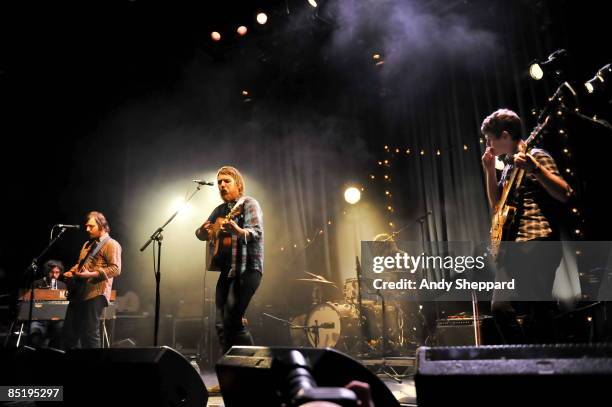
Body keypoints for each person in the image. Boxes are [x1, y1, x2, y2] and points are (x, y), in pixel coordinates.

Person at [481, 108, 573, 343]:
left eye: (490, 139)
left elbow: (565, 193)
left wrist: (534, 168)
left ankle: (546, 363)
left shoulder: (536, 155)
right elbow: (496, 206)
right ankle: (527, 355)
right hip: (511, 248)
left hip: (537, 241)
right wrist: (490, 170)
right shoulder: (509, 167)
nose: (488, 145)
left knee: (537, 312)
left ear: (505, 136)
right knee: (499, 307)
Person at [195, 166, 263, 353]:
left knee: (232, 320)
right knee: (219, 323)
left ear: (238, 184)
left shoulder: (249, 204)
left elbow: (256, 233)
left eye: (227, 181)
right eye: (219, 182)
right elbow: (203, 233)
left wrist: (238, 231)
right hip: (228, 271)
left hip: (247, 269)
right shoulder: (219, 210)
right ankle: (232, 367)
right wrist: (202, 231)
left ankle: (251, 367)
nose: (222, 185)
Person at [61, 211, 122, 348]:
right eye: (87, 226)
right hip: (80, 294)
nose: (87, 229)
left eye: (91, 226)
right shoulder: (87, 245)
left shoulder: (111, 244)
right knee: (70, 333)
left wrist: (90, 274)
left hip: (96, 293)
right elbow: (80, 264)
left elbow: (116, 269)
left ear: (102, 226)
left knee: (90, 334)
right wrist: (71, 272)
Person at [29, 260, 67, 348]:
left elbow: (63, 305)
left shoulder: (62, 285)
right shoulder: (37, 284)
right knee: (34, 335)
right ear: (47, 272)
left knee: (60, 330)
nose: (54, 275)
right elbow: (32, 305)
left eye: (57, 272)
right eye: (51, 272)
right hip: (39, 319)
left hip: (55, 319)